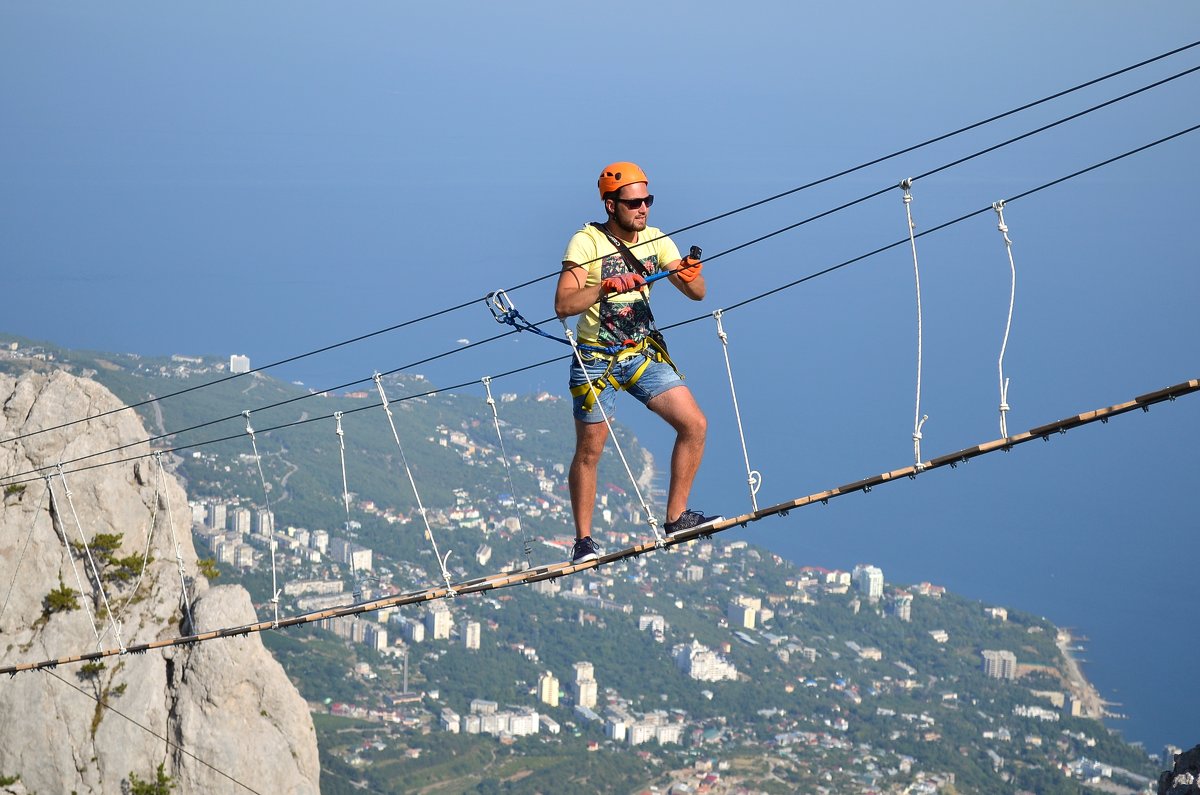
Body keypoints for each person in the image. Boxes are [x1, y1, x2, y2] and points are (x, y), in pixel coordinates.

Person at [554, 161, 721, 565]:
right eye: (634, 202)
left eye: (647, 200)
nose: (643, 209)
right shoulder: (587, 243)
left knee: (694, 424)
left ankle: (677, 518)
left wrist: (690, 273)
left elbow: (697, 293)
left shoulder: (657, 240)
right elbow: (563, 305)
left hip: (640, 352)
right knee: (590, 451)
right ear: (611, 205)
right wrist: (603, 286)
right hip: (595, 360)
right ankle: (583, 541)